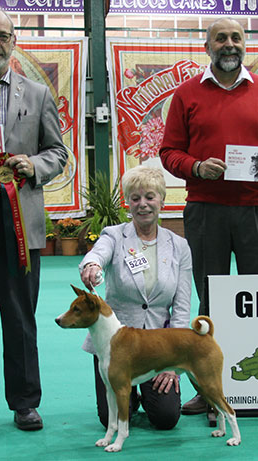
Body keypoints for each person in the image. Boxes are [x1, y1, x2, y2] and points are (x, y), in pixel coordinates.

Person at [0, 6, 67, 434]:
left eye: (2, 35)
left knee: (20, 315)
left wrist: (31, 165)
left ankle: (24, 402)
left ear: (14, 40)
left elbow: (58, 153)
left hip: (18, 218)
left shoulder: (37, 95)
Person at [160, 17, 258, 415]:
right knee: (207, 300)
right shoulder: (186, 94)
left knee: (256, 297)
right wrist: (197, 167)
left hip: (254, 210)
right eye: (221, 38)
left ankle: (254, 380)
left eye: (236, 37)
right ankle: (207, 387)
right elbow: (169, 152)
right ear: (207, 46)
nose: (230, 44)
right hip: (205, 211)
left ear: (245, 44)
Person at [79, 165, 192, 430]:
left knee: (166, 419)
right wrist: (91, 267)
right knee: (114, 418)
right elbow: (98, 254)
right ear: (127, 203)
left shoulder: (179, 246)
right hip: (115, 343)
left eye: (150, 197)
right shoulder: (114, 236)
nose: (143, 204)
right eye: (135, 198)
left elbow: (182, 307)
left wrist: (173, 363)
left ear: (162, 201)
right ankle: (130, 398)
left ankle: (145, 393)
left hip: (157, 346)